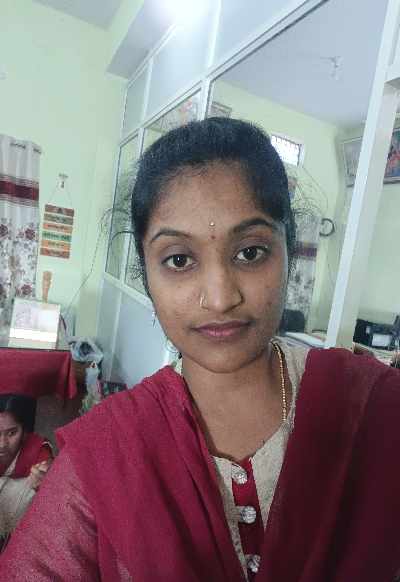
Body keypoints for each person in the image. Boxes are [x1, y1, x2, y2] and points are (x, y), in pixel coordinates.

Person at [1, 118, 399, 581]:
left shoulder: (371, 406)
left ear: (289, 249)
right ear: (146, 274)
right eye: (179, 260)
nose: (220, 297)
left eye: (250, 252)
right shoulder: (107, 453)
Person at [0, 393, 52, 551]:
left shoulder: (39, 452)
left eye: (12, 433)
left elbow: (56, 501)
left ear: (24, 432)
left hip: (20, 539)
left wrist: (47, 484)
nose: (2, 444)